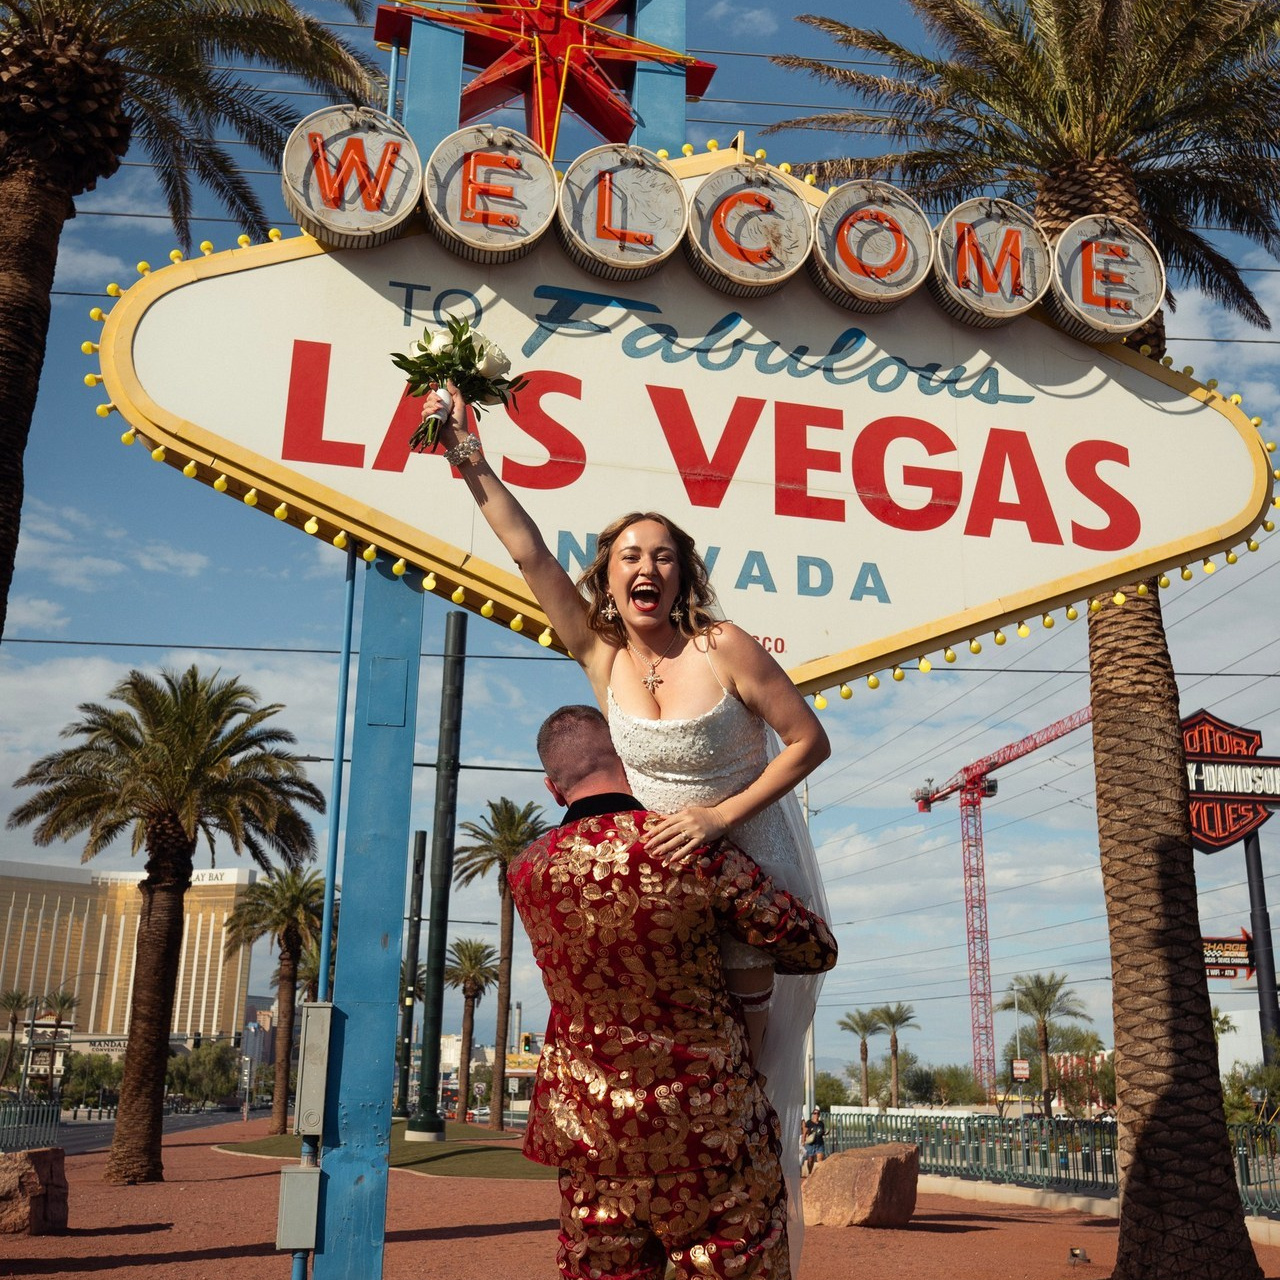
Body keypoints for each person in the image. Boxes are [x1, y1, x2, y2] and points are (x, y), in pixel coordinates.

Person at [510, 705, 837, 1280]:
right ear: (633, 760)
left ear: (551, 787)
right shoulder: (686, 847)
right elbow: (813, 948)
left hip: (593, 1139)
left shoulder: (528, 871)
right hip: (712, 1134)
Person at [801, 1108, 826, 1176]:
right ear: (812, 1114)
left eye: (817, 1113)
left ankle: (819, 1175)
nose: (816, 1115)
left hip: (819, 1143)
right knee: (810, 1159)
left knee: (820, 1159)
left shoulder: (821, 1123)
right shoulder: (809, 1122)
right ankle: (810, 1172)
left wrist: (825, 1133)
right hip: (811, 1144)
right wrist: (803, 1141)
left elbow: (822, 1132)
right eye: (815, 1113)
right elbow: (805, 1132)